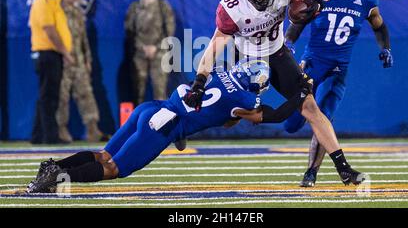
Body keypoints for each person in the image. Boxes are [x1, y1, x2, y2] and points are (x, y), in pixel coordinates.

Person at [26, 59, 363, 193]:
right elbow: (272, 117)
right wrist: (302, 94)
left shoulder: (218, 71)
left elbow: (215, 108)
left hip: (152, 107)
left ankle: (55, 166)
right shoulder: (245, 100)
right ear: (257, 84)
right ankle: (59, 179)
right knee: (115, 169)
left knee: (103, 154)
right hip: (165, 124)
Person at [183, 0, 364, 185]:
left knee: (311, 108)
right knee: (229, 117)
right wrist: (199, 82)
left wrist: (314, 1)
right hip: (246, 60)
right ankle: (186, 126)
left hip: (277, 54)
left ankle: (344, 169)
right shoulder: (232, 9)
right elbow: (213, 48)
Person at [284, 0, 393, 187]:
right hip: (311, 65)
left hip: (337, 69)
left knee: (324, 118)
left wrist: (386, 47)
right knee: (291, 124)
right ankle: (319, 168)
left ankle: (311, 172)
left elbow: (379, 26)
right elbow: (299, 22)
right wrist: (288, 42)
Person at [56, 0, 106, 143]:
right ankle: (61, 130)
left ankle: (93, 130)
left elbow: (83, 39)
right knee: (61, 97)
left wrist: (87, 59)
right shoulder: (56, 10)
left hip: (78, 61)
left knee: (86, 95)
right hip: (62, 61)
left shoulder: (78, 12)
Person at [29, 0, 74, 144]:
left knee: (46, 95)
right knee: (50, 97)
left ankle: (37, 136)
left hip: (51, 54)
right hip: (48, 54)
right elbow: (50, 31)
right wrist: (65, 52)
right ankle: (50, 137)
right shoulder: (42, 2)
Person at [124, 0, 175, 104]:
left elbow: (169, 30)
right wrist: (142, 47)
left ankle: (162, 123)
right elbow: (129, 31)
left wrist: (155, 47)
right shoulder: (134, 7)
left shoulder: (163, 6)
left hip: (160, 54)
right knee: (137, 93)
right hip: (139, 54)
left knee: (160, 93)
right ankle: (138, 122)